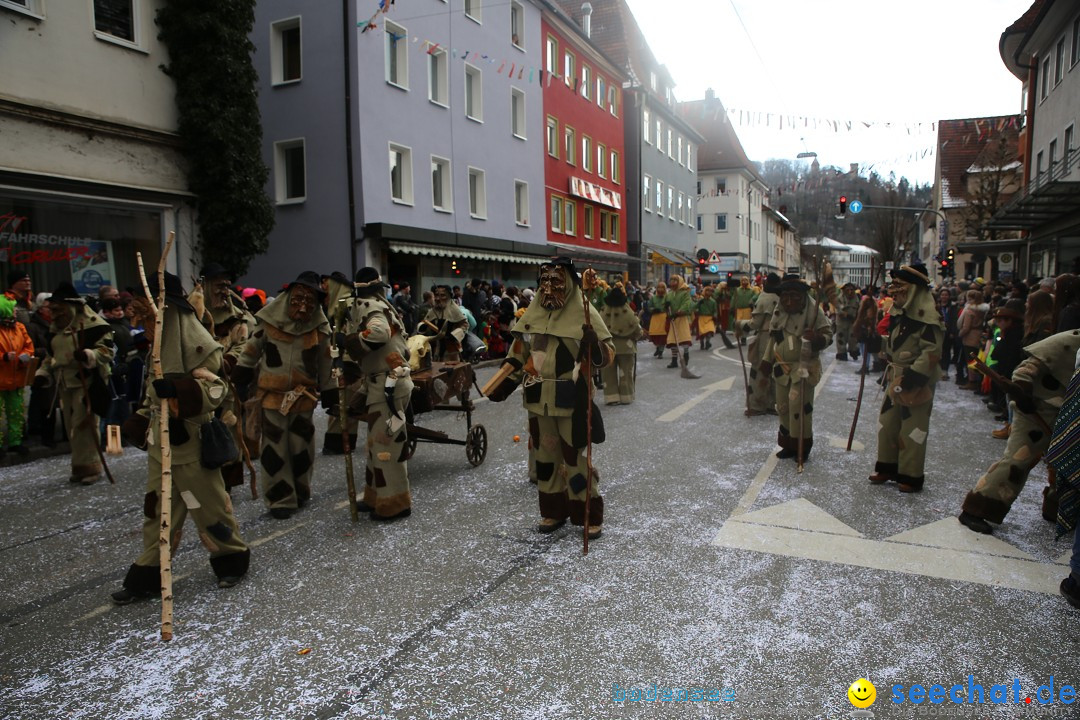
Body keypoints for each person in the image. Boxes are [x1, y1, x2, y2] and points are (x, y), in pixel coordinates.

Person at [113, 271, 250, 604]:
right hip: (161, 447)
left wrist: (179, 389)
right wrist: (141, 418)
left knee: (210, 507)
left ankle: (231, 558)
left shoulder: (198, 345)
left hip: (191, 441)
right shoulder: (157, 344)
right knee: (157, 510)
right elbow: (152, 394)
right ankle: (148, 574)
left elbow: (216, 390)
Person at [486, 257, 614, 538]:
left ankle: (587, 513)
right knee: (545, 458)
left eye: (555, 280)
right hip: (538, 398)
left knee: (574, 459)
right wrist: (501, 385)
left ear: (568, 282)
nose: (548, 286)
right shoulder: (532, 313)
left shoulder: (584, 312)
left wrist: (594, 344)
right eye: (544, 280)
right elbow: (518, 354)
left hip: (571, 399)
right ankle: (553, 511)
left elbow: (607, 355)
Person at [231, 271, 333, 519]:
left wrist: (331, 392)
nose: (303, 306)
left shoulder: (319, 326)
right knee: (275, 448)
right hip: (272, 395)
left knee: (300, 447)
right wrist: (242, 374)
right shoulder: (268, 320)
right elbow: (251, 350)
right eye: (298, 299)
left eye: (310, 301)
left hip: (303, 397)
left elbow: (325, 362)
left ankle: (300, 490)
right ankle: (280, 499)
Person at [958, 328, 1080, 534]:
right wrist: (1023, 393)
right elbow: (1025, 371)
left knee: (1067, 464)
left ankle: (1056, 508)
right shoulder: (1068, 341)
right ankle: (977, 508)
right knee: (1018, 461)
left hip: (1067, 415)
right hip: (1037, 409)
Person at [341, 267, 415, 520]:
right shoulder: (376, 303)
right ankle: (376, 497)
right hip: (381, 382)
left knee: (387, 446)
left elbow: (379, 333)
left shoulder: (369, 305)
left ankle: (395, 503)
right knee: (375, 444)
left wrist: (350, 342)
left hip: (389, 385)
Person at [867, 264, 944, 493]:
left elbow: (932, 352)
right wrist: (875, 343)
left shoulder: (929, 318)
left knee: (913, 429)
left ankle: (911, 475)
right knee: (887, 424)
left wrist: (914, 375)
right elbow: (893, 345)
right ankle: (887, 466)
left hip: (916, 381)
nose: (893, 291)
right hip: (894, 378)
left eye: (900, 287)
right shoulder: (897, 315)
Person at [33, 282, 114, 484]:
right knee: (72, 427)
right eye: (53, 310)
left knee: (84, 425)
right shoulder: (55, 331)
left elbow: (107, 352)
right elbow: (50, 357)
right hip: (65, 384)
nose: (55, 314)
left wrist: (88, 354)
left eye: (59, 309)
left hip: (87, 382)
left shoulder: (95, 326)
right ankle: (80, 466)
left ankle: (91, 467)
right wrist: (43, 373)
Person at [758, 274, 832, 463]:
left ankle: (802, 446)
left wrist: (816, 339)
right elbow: (774, 339)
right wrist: (766, 361)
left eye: (794, 297)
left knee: (799, 408)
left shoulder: (813, 310)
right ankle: (788, 445)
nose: (789, 301)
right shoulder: (779, 311)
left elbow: (828, 334)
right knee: (782, 407)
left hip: (804, 368)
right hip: (782, 368)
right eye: (785, 297)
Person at [0, 296, 34, 456]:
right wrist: (3, 357)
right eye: (12, 309)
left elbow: (28, 345)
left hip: (16, 377)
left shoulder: (19, 327)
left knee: (16, 412)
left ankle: (15, 442)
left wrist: (25, 356)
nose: (16, 311)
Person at [599, 282, 641, 406]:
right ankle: (626, 396)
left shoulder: (603, 311)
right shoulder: (626, 311)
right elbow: (637, 328)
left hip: (608, 347)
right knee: (626, 373)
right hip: (626, 347)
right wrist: (636, 336)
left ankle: (611, 397)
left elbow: (598, 328)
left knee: (608, 373)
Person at [745, 272, 781, 416]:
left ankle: (757, 405)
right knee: (774, 372)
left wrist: (740, 325)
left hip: (765, 337)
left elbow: (755, 323)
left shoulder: (765, 298)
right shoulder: (781, 298)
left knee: (759, 371)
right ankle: (772, 404)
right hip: (779, 338)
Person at [421, 285, 469, 362]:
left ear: (449, 296)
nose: (437, 298)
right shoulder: (433, 310)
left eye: (442, 295)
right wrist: (423, 328)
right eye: (436, 295)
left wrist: (454, 335)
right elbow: (425, 322)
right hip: (435, 347)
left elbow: (464, 325)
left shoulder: (454, 309)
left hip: (450, 347)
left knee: (452, 369)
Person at [663, 275, 693, 369]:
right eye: (671, 280)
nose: (672, 282)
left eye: (675, 280)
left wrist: (678, 312)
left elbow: (687, 304)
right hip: (673, 320)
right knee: (672, 339)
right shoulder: (669, 294)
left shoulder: (685, 293)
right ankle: (674, 360)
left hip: (682, 318)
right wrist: (666, 307)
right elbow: (665, 304)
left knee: (684, 338)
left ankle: (686, 354)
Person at [834, 283, 861, 361]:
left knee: (853, 337)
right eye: (847, 290)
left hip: (853, 321)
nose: (850, 292)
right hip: (842, 322)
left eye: (852, 290)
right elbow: (838, 310)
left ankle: (854, 351)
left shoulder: (857, 298)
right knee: (841, 338)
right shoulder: (839, 298)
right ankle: (842, 354)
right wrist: (846, 315)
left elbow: (860, 308)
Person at [730, 276, 756, 346]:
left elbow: (755, 298)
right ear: (741, 282)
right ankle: (740, 336)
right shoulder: (737, 290)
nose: (744, 282)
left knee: (745, 325)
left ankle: (744, 338)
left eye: (746, 280)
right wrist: (732, 308)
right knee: (738, 324)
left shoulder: (751, 290)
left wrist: (753, 304)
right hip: (739, 310)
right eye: (743, 281)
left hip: (747, 310)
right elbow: (733, 299)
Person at [646, 282, 668, 358]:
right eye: (659, 288)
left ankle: (661, 351)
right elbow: (649, 307)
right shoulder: (653, 298)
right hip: (655, 318)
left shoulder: (667, 297)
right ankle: (658, 348)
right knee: (655, 335)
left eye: (662, 288)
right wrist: (653, 310)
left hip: (663, 318)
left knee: (663, 336)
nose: (660, 289)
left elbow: (670, 307)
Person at [693, 285, 718, 351]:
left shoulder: (713, 302)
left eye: (710, 291)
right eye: (707, 290)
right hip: (701, 318)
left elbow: (715, 310)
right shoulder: (701, 300)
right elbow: (694, 307)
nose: (709, 292)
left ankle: (707, 341)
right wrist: (698, 303)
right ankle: (702, 343)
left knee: (709, 330)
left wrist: (715, 316)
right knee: (702, 332)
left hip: (709, 318)